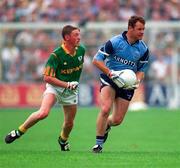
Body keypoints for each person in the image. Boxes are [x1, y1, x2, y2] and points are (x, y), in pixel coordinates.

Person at [5, 25, 86, 151]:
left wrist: (71, 85)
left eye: (79, 34)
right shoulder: (56, 55)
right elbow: (47, 78)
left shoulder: (81, 50)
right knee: (43, 113)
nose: (79, 37)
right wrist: (67, 84)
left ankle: (63, 140)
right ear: (67, 37)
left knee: (69, 123)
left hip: (71, 91)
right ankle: (18, 131)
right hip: (55, 88)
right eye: (76, 35)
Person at [92, 15, 149, 153]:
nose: (142, 32)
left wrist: (137, 80)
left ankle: (106, 126)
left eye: (143, 29)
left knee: (117, 120)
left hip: (127, 84)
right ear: (130, 28)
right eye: (139, 29)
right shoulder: (115, 42)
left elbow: (141, 70)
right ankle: (98, 144)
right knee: (105, 109)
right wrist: (110, 73)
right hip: (110, 78)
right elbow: (96, 60)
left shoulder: (143, 49)